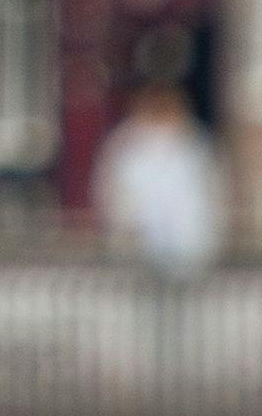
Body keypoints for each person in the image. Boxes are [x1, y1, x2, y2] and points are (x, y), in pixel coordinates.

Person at [95, 88, 229, 277]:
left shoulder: (195, 145)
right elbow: (114, 194)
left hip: (190, 250)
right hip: (140, 251)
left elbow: (212, 194)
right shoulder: (126, 146)